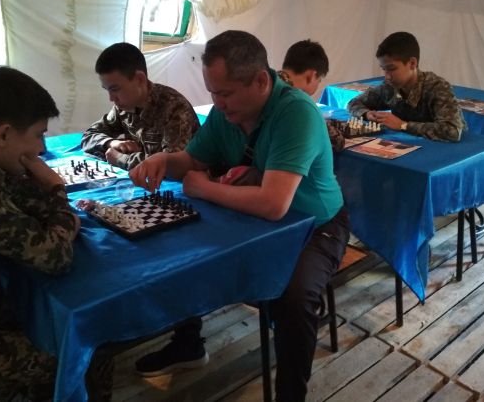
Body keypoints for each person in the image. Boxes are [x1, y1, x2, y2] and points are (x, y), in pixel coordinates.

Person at [129, 30, 349, 402]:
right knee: (182, 250)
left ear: (261, 81)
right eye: (213, 92)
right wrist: (165, 160)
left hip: (316, 225)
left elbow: (274, 204)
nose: (217, 103)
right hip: (256, 220)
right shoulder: (226, 112)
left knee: (293, 299)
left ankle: (290, 395)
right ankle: (188, 344)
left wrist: (204, 188)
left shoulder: (296, 113)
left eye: (225, 93)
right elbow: (193, 160)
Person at [0, 66, 107, 401]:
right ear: (2, 135)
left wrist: (48, 205)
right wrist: (57, 191)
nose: (42, 148)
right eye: (39, 135)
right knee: (80, 351)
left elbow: (23, 199)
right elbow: (55, 256)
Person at [81, 42, 200, 170]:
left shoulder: (175, 108)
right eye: (107, 90)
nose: (111, 98)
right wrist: (111, 143)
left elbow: (170, 165)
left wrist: (121, 159)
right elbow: (89, 136)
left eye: (115, 89)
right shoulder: (123, 107)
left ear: (140, 79)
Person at [347, 31, 466, 142]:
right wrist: (367, 114)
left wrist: (403, 125)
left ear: (412, 63)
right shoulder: (390, 87)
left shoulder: (437, 87)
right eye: (384, 69)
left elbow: (452, 131)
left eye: (392, 69)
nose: (387, 76)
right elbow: (354, 102)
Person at [279, 39, 345, 152]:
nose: (318, 84)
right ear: (311, 76)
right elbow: (337, 142)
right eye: (319, 80)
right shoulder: (298, 102)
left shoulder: (267, 82)